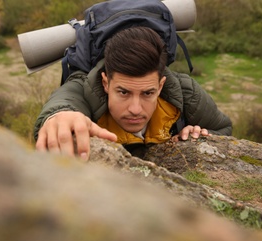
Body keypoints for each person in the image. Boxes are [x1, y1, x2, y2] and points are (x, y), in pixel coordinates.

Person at [34, 26, 232, 161]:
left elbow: (223, 130)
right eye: (123, 92)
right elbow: (64, 102)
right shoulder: (83, 88)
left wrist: (200, 135)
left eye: (147, 93)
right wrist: (59, 117)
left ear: (161, 86)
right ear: (105, 83)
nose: (135, 109)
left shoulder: (186, 93)